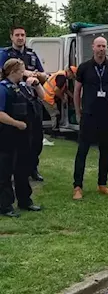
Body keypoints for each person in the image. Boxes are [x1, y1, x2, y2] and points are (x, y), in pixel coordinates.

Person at [72, 36, 108, 201]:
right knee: (82, 151)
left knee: (105, 150)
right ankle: (77, 186)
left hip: (106, 114)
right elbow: (77, 91)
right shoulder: (84, 67)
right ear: (93, 47)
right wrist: (78, 112)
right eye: (98, 46)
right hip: (89, 115)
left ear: (106, 48)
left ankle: (102, 184)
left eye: (104, 46)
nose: (101, 49)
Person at [1, 25, 48, 182]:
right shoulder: (5, 54)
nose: (20, 37)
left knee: (36, 138)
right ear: (12, 37)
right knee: (17, 139)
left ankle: (32, 168)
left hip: (32, 100)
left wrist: (34, 75)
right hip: (13, 100)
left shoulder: (32, 55)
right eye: (17, 35)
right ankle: (15, 170)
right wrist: (23, 73)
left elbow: (44, 76)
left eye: (23, 35)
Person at [0, 59, 42, 217]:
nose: (24, 73)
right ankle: (5, 205)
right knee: (5, 172)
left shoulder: (23, 87)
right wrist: (16, 123)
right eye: (21, 70)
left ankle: (25, 200)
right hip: (7, 136)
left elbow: (43, 97)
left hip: (24, 136)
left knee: (23, 168)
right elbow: (0, 113)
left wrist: (37, 84)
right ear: (12, 71)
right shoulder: (3, 89)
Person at [41, 65, 77, 132]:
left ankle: (55, 129)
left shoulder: (61, 75)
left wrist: (73, 97)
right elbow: (56, 90)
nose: (72, 78)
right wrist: (63, 98)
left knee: (55, 114)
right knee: (55, 114)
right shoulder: (62, 77)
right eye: (73, 76)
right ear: (69, 72)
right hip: (47, 97)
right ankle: (55, 131)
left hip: (45, 95)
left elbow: (65, 89)